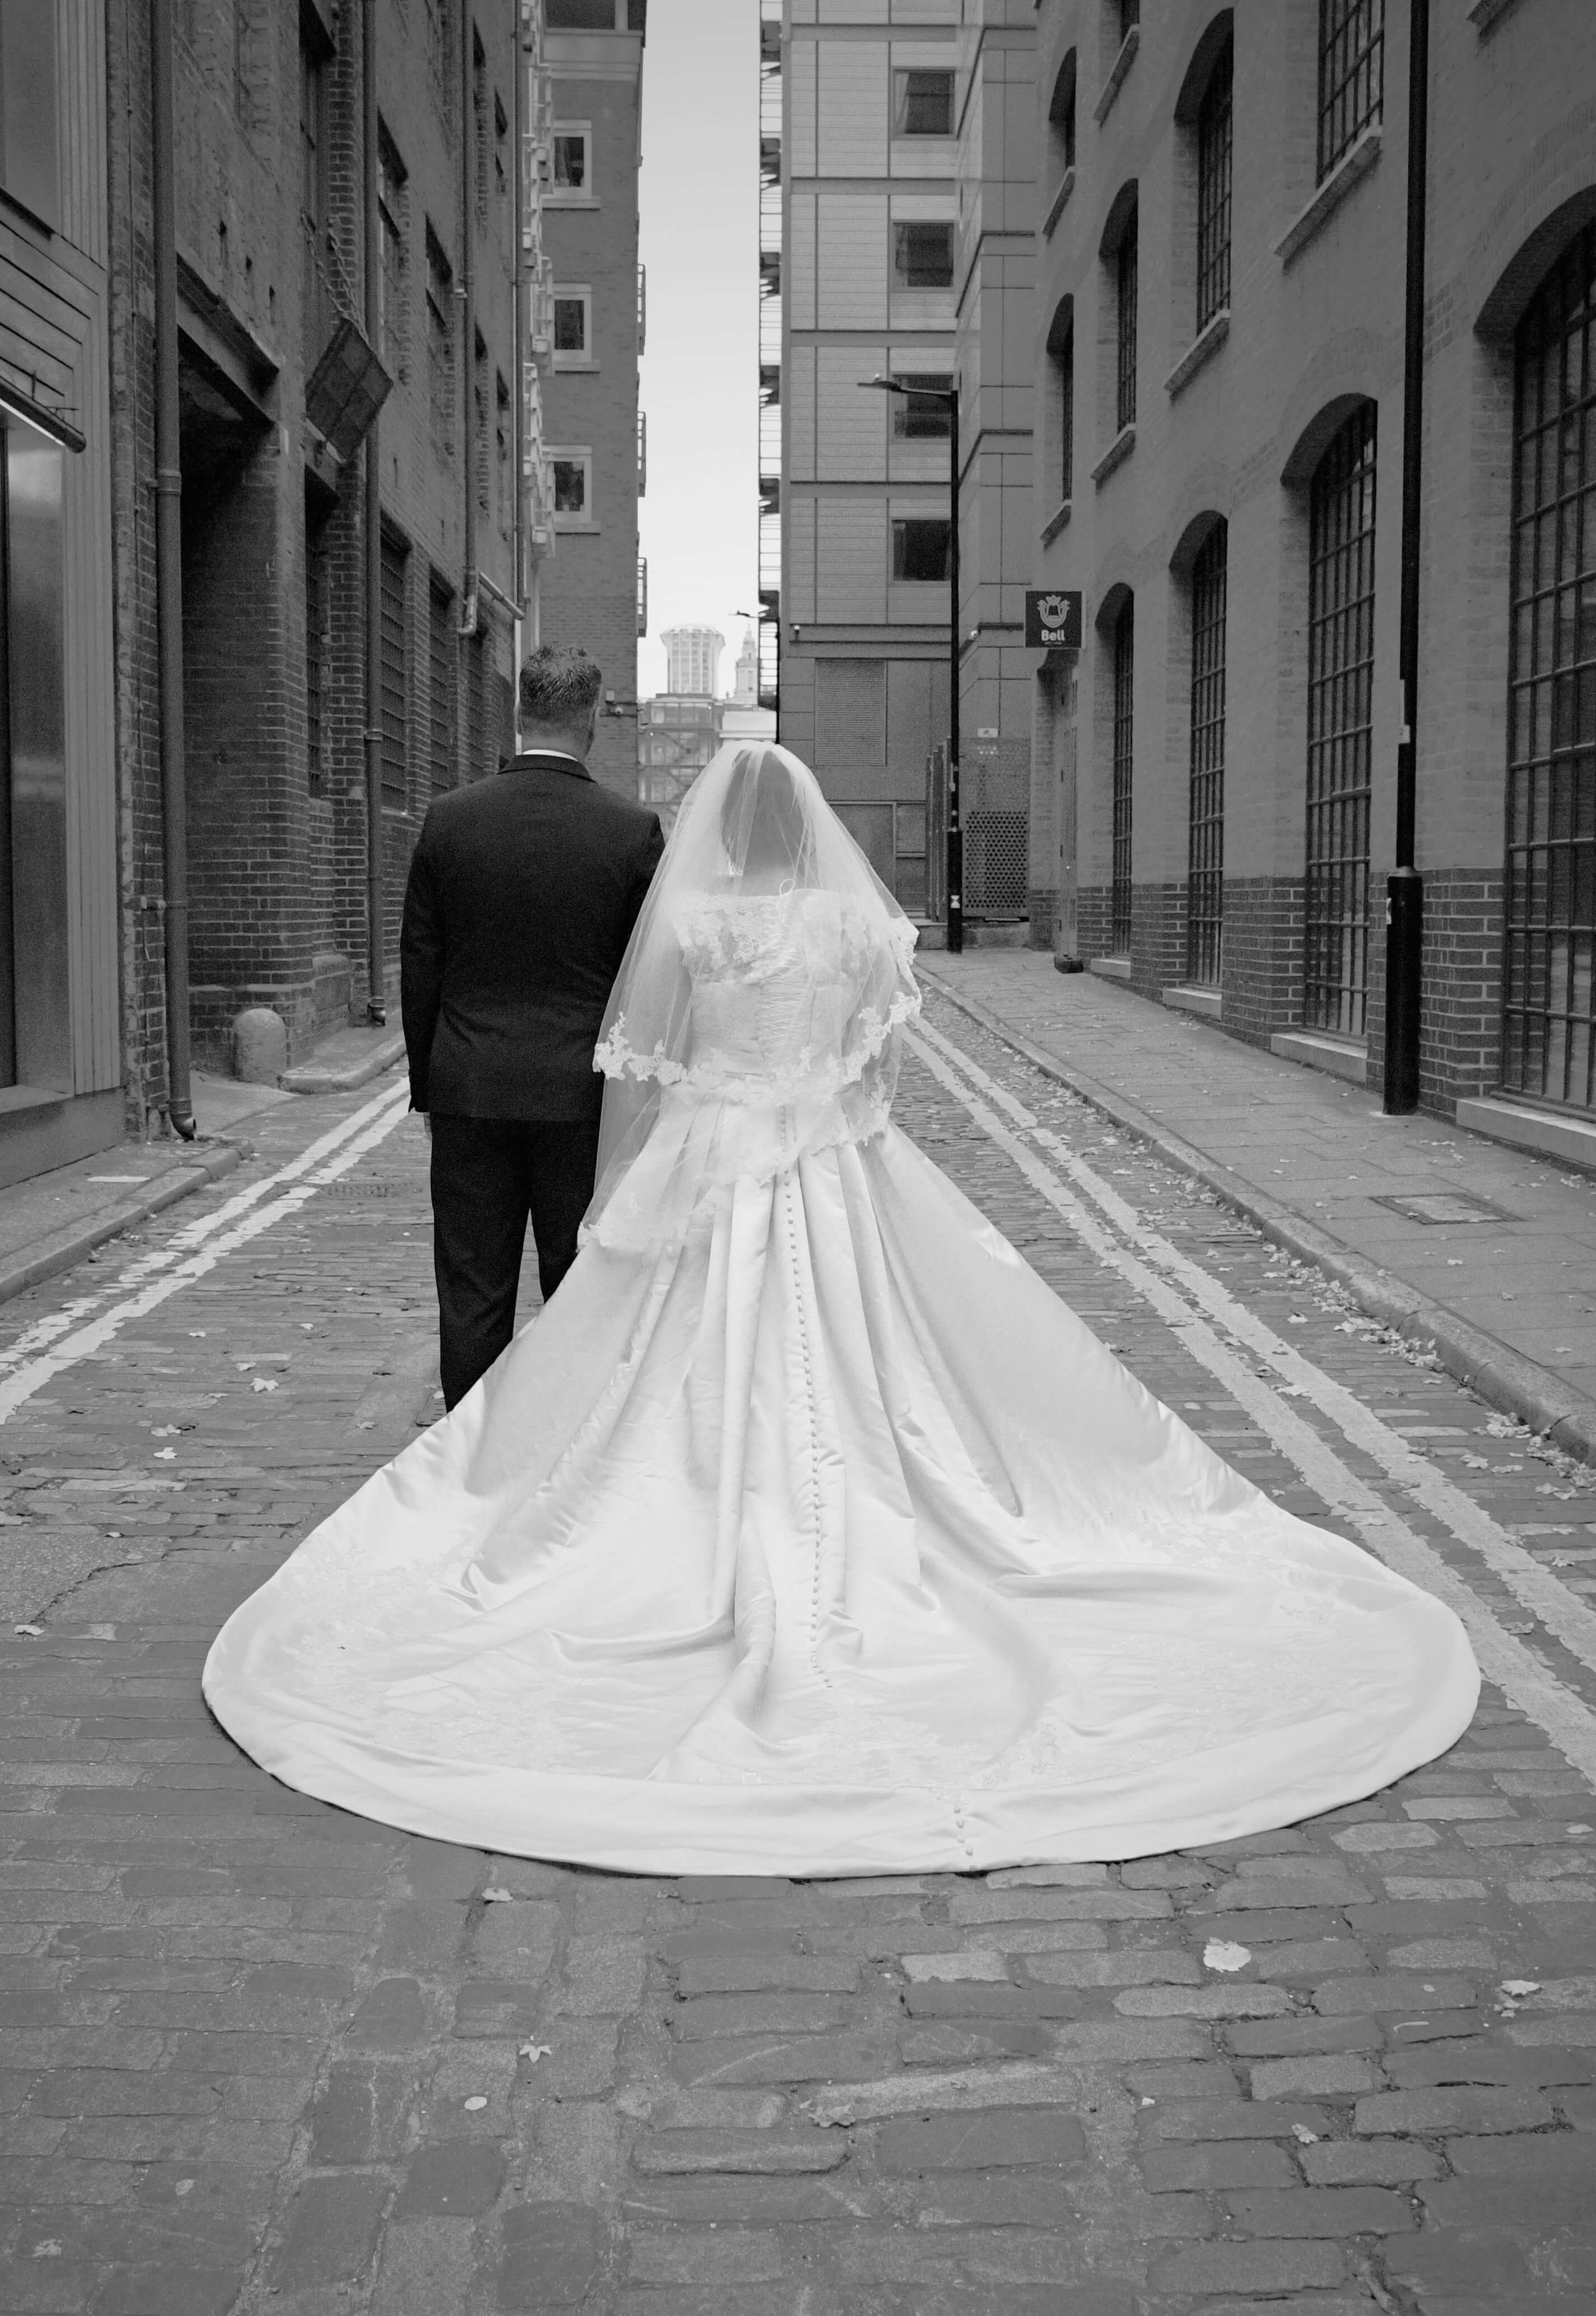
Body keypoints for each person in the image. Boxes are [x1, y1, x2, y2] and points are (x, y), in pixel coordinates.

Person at [205, 743, 1477, 1876]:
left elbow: (660, 1070)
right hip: (830, 1169)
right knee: (885, 1368)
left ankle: (614, 1493)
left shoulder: (694, 926)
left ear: (718, 832)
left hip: (711, 1163)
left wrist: (647, 1180)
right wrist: (826, 1123)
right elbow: (880, 1079)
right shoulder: (864, 932)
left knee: (653, 1370)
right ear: (812, 830)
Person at [399, 643, 663, 1410]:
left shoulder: (450, 821)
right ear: (591, 718)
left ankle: (470, 1461)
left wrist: (430, 1087)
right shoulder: (631, 831)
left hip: (470, 1086)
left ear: (520, 714)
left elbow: (422, 964)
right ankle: (566, 1454)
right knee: (580, 1285)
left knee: (472, 1289)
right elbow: (645, 981)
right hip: (583, 1100)